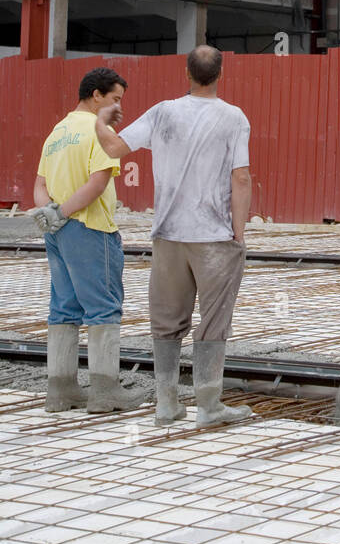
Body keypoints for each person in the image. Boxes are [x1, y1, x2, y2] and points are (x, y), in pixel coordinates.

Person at [94, 45, 254, 427]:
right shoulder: (233, 117)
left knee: (166, 322)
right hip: (214, 236)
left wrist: (102, 119)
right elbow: (241, 176)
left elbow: (114, 147)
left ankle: (166, 403)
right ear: (219, 74)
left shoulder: (162, 111)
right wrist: (239, 230)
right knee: (213, 322)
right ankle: (208, 405)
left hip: (167, 234)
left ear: (187, 73)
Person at [32, 67, 142, 413]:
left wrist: (51, 214)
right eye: (115, 98)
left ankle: (61, 390)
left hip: (57, 231)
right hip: (91, 228)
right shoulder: (99, 131)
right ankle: (105, 391)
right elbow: (97, 183)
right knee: (103, 307)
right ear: (97, 95)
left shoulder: (57, 132)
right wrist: (66, 211)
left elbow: (39, 186)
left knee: (64, 307)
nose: (118, 106)